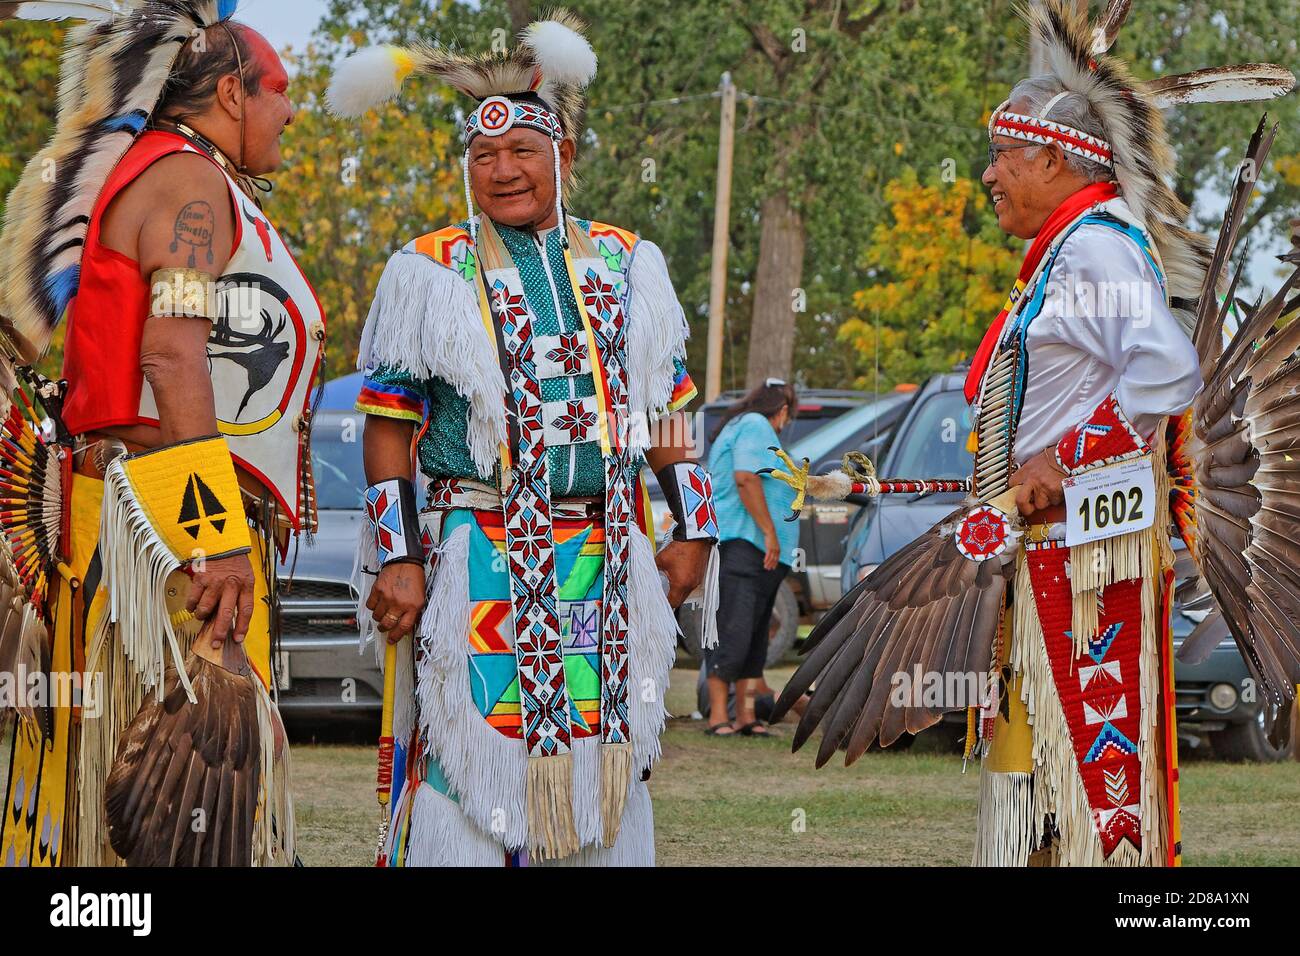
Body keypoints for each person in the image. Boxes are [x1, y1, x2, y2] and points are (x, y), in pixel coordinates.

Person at [765, 0, 1297, 867]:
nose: (988, 176)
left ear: (1056, 159)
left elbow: (1164, 373)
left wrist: (1064, 456)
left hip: (1084, 564)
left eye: (1004, 157)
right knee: (1041, 793)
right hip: (1052, 550)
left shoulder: (1093, 250)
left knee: (1093, 800)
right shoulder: (1063, 254)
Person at [329, 11, 718, 866]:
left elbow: (670, 406)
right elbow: (387, 423)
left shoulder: (627, 264)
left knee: (606, 758)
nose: (502, 172)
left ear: (564, 159)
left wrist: (697, 527)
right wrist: (397, 556)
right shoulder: (429, 271)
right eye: (483, 157)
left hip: (609, 555)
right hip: (481, 550)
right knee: (471, 757)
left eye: (523, 153)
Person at [0, 2, 321, 867]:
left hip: (127, 514)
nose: (291, 112)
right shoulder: (189, 184)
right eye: (281, 91)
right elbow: (173, 354)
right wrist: (217, 537)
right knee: (174, 816)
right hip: (160, 531)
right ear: (229, 92)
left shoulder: (160, 171)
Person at [703, 380, 798, 737]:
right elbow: (745, 478)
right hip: (745, 543)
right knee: (736, 630)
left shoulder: (746, 425)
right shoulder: (756, 425)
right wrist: (770, 532)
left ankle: (745, 716)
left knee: (756, 636)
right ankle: (717, 716)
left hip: (760, 552)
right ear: (784, 410)